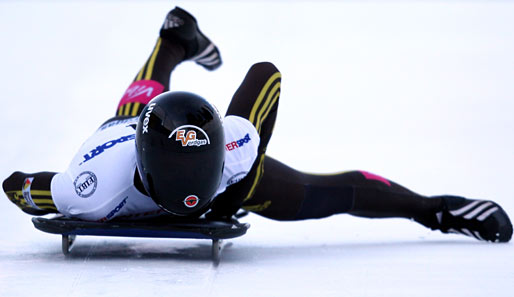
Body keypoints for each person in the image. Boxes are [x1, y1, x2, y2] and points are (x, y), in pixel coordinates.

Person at [3, 7, 512, 243]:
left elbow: (267, 75)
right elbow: (29, 189)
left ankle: (436, 211)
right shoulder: (91, 187)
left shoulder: (237, 147)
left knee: (320, 195)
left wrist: (231, 183)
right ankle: (174, 41)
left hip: (228, 185)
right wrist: (22, 185)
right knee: (138, 105)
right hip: (125, 135)